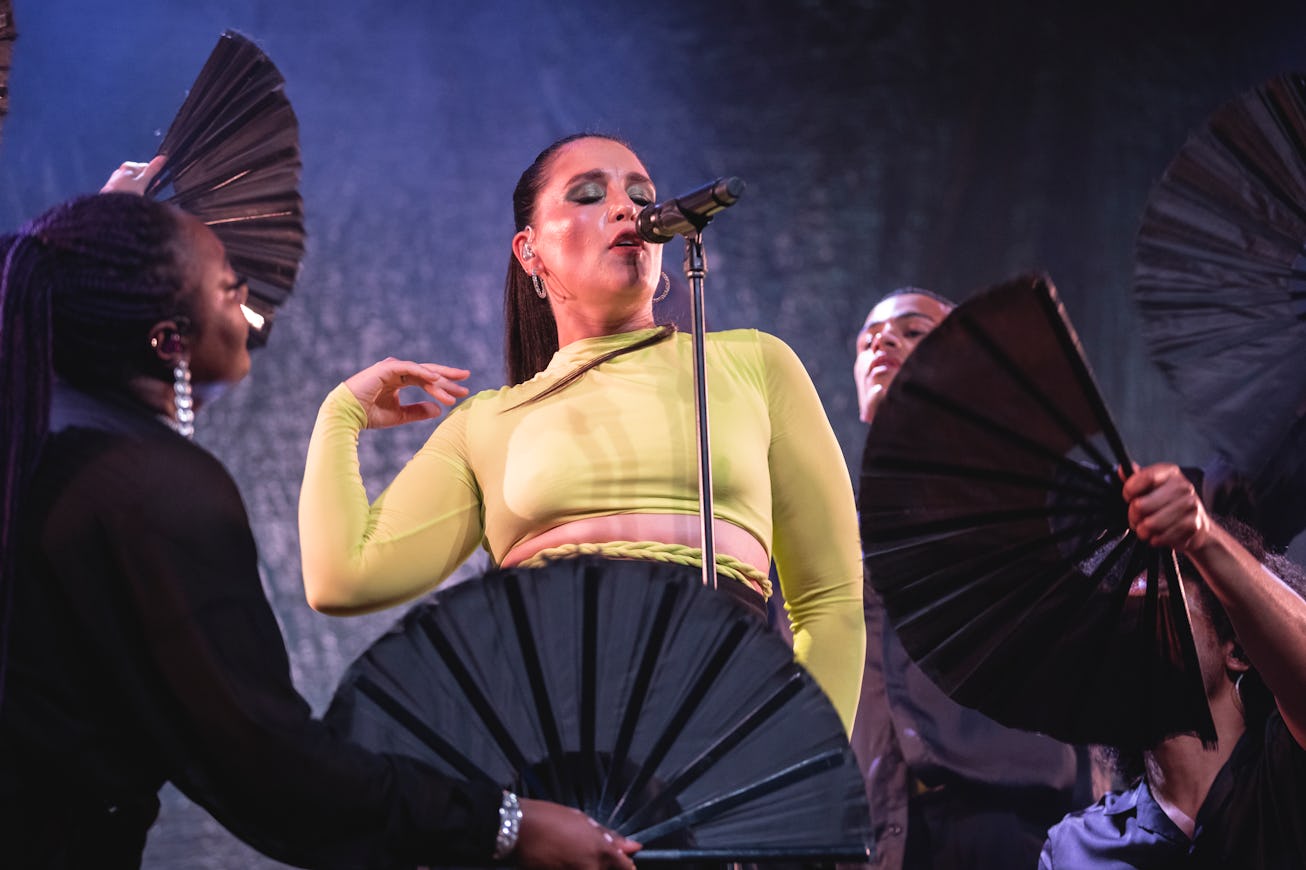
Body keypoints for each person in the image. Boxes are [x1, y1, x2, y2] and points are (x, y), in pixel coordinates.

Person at [0, 181, 639, 870]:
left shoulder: (36, 455)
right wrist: (505, 824)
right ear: (165, 338)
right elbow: (265, 763)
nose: (249, 313)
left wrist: (70, 256)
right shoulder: (151, 489)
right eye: (226, 290)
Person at [297, 133, 865, 732]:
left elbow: (832, 603)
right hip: (555, 742)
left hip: (720, 730)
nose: (627, 207)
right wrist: (340, 414)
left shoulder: (755, 365)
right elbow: (343, 577)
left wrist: (805, 772)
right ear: (529, 251)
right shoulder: (486, 423)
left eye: (641, 195)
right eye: (590, 195)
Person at [851, 287, 1079, 869]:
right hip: (866, 834)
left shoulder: (1026, 505)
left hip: (997, 823)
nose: (884, 342)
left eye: (913, 331)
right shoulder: (830, 525)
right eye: (869, 339)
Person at [1039, 464, 1306, 868]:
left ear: (1238, 651)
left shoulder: (1286, 776)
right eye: (1124, 614)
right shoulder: (1075, 849)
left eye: (1162, 599)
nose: (1134, 624)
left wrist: (1200, 536)